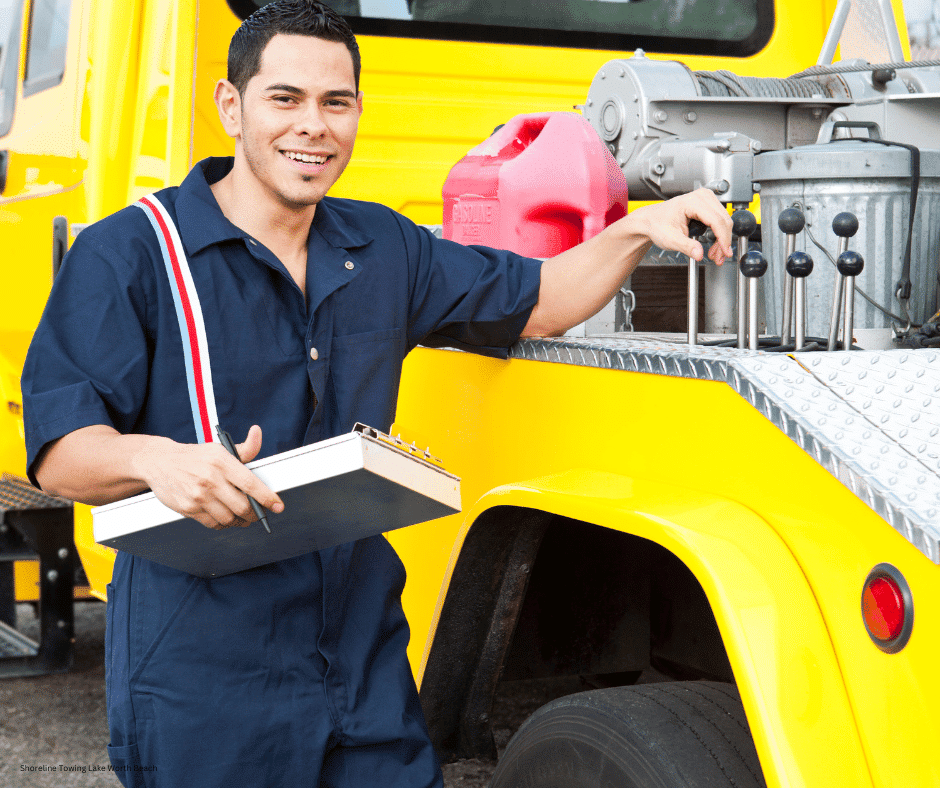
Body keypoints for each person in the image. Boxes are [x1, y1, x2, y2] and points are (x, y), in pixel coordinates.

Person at [21, 2, 732, 786]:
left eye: (336, 102)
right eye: (284, 99)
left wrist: (636, 229)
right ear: (232, 106)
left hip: (361, 661)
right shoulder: (131, 253)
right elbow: (60, 455)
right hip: (205, 673)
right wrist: (158, 461)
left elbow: (536, 297)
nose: (312, 127)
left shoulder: (382, 244)